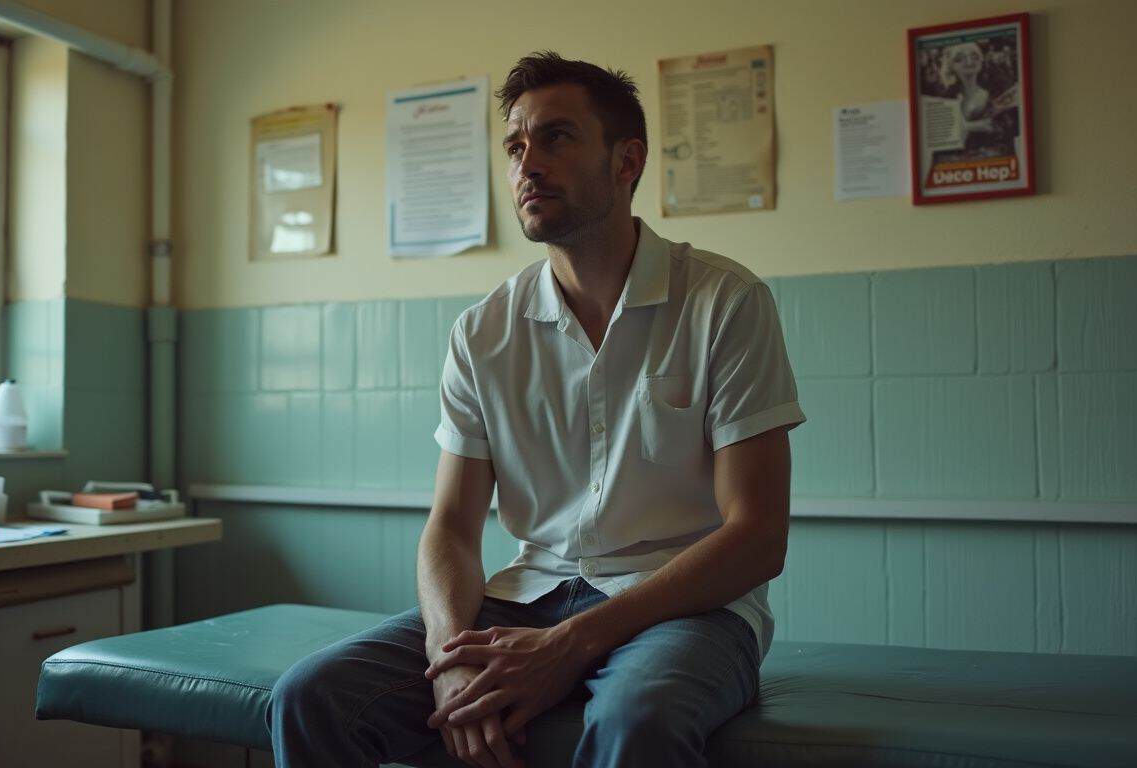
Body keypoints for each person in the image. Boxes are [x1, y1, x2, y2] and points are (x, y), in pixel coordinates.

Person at [266, 50, 806, 768]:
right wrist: (448, 654)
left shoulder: (724, 303)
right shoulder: (483, 332)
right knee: (311, 696)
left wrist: (574, 644)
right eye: (516, 146)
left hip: (682, 612)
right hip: (527, 596)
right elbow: (451, 528)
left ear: (627, 162)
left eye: (556, 137)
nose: (527, 164)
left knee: (636, 718)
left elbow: (757, 536)